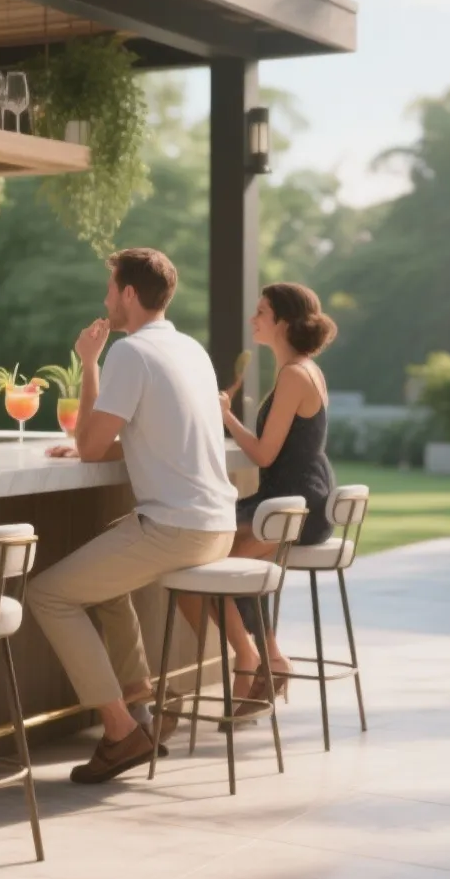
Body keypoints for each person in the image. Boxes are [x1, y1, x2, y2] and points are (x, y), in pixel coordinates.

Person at [25, 248, 237, 784]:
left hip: (177, 528)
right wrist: (92, 444)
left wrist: (90, 362)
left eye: (109, 288)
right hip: (217, 524)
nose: (104, 300)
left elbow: (93, 446)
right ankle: (140, 707)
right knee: (102, 580)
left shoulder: (130, 353)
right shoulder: (191, 349)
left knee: (47, 594)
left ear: (127, 295)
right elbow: (154, 440)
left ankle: (119, 732)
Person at [180, 283, 337, 709]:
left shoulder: (293, 375)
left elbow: (264, 453)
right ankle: (268, 658)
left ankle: (250, 661)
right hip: (299, 501)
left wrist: (226, 416)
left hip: (292, 506)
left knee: (202, 565)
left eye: (262, 312)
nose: (254, 319)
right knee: (222, 568)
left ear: (283, 323)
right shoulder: (307, 370)